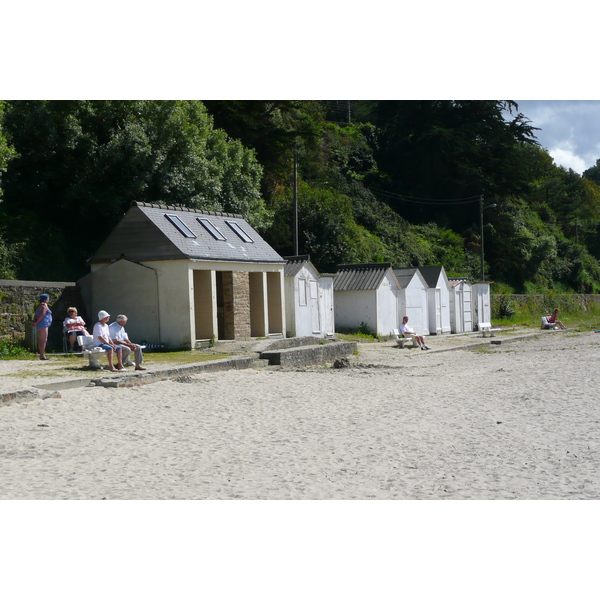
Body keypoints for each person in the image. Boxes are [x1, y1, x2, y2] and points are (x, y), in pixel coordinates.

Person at [31, 293, 52, 360]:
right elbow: (42, 315)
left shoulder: (39, 306)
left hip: (40, 325)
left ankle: (42, 355)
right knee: (44, 340)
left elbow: (36, 315)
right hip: (43, 324)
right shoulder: (44, 305)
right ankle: (42, 356)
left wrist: (35, 322)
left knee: (41, 340)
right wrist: (36, 322)